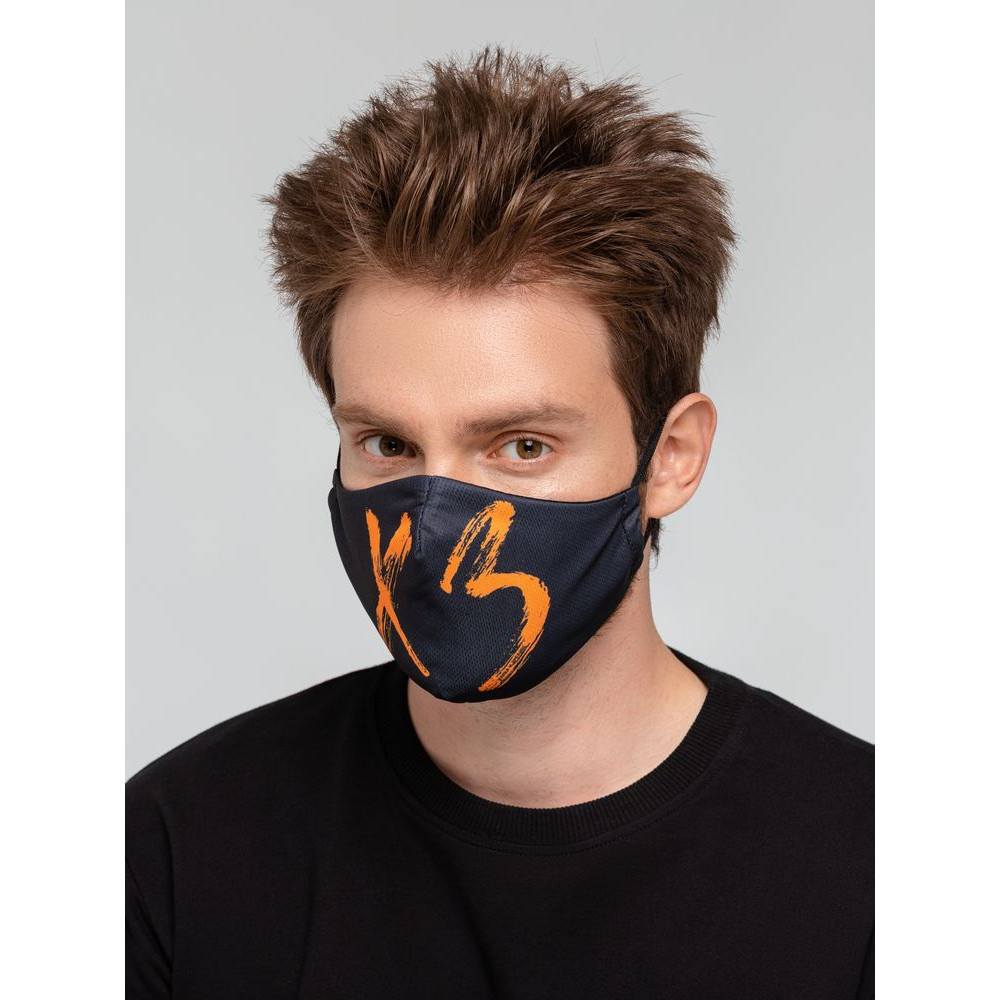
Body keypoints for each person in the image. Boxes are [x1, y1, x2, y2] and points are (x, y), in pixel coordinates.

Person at [126, 45, 874, 998]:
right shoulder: (177, 853)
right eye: (388, 444)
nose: (437, 516)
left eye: (522, 446)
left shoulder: (881, 872)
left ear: (671, 457)